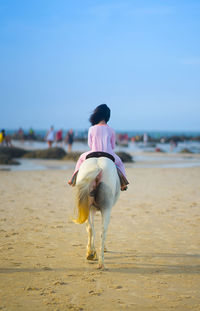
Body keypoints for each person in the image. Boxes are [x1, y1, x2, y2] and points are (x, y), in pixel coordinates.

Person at [68, 104, 128, 191]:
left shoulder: (92, 129)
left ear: (97, 115)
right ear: (108, 116)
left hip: (93, 152)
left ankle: (73, 179)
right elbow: (113, 146)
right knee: (120, 163)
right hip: (108, 153)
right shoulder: (111, 130)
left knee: (81, 159)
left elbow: (90, 144)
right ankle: (123, 184)